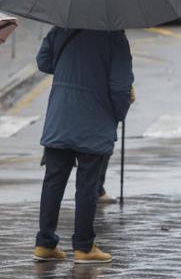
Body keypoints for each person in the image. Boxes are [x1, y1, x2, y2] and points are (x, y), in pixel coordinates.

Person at [33, 28, 134, 264]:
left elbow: (43, 61)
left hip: (60, 115)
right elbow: (120, 86)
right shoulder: (114, 36)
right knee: (87, 184)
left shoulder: (62, 27)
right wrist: (118, 114)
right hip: (94, 118)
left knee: (53, 180)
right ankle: (84, 247)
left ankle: (45, 243)